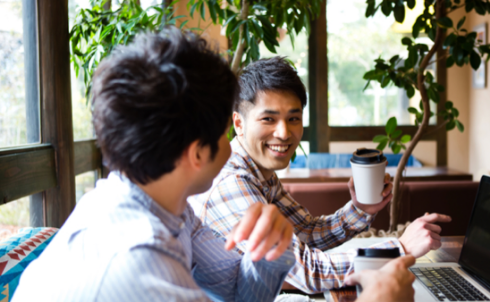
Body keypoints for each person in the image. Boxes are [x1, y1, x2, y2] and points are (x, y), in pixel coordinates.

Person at [12, 28, 297, 302]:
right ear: (197, 153)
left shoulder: (168, 207)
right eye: (225, 133)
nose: (232, 144)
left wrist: (271, 249)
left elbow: (237, 293)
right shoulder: (140, 259)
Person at [188, 57, 452, 293]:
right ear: (238, 124)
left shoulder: (259, 172)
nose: (284, 133)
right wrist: (400, 248)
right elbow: (307, 271)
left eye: (293, 118)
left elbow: (307, 231)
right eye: (268, 119)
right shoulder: (231, 182)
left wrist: (360, 209)